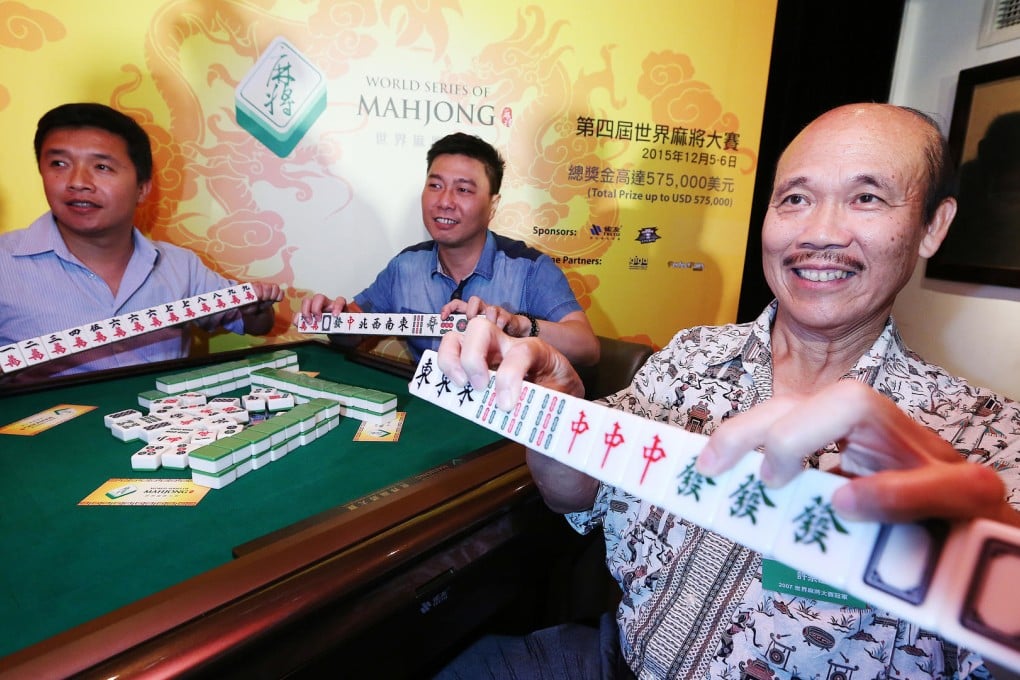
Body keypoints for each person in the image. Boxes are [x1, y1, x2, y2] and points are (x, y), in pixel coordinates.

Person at [435, 103, 1020, 679]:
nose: (819, 233)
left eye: (867, 198)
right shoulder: (692, 356)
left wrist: (978, 563)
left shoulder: (985, 437)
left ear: (932, 226)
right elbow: (572, 497)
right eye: (795, 198)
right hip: (613, 659)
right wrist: (552, 408)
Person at [0, 102, 283, 381]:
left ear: (142, 188)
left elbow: (256, 323)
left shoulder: (180, 265)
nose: (77, 181)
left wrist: (256, 307)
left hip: (162, 421)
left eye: (101, 166)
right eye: (59, 163)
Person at [299, 132, 599, 366]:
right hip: (428, 416)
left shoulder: (530, 268)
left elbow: (587, 348)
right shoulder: (406, 267)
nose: (445, 201)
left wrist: (519, 326)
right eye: (436, 185)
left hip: (501, 424)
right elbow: (350, 333)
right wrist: (333, 316)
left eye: (464, 189)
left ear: (493, 205)